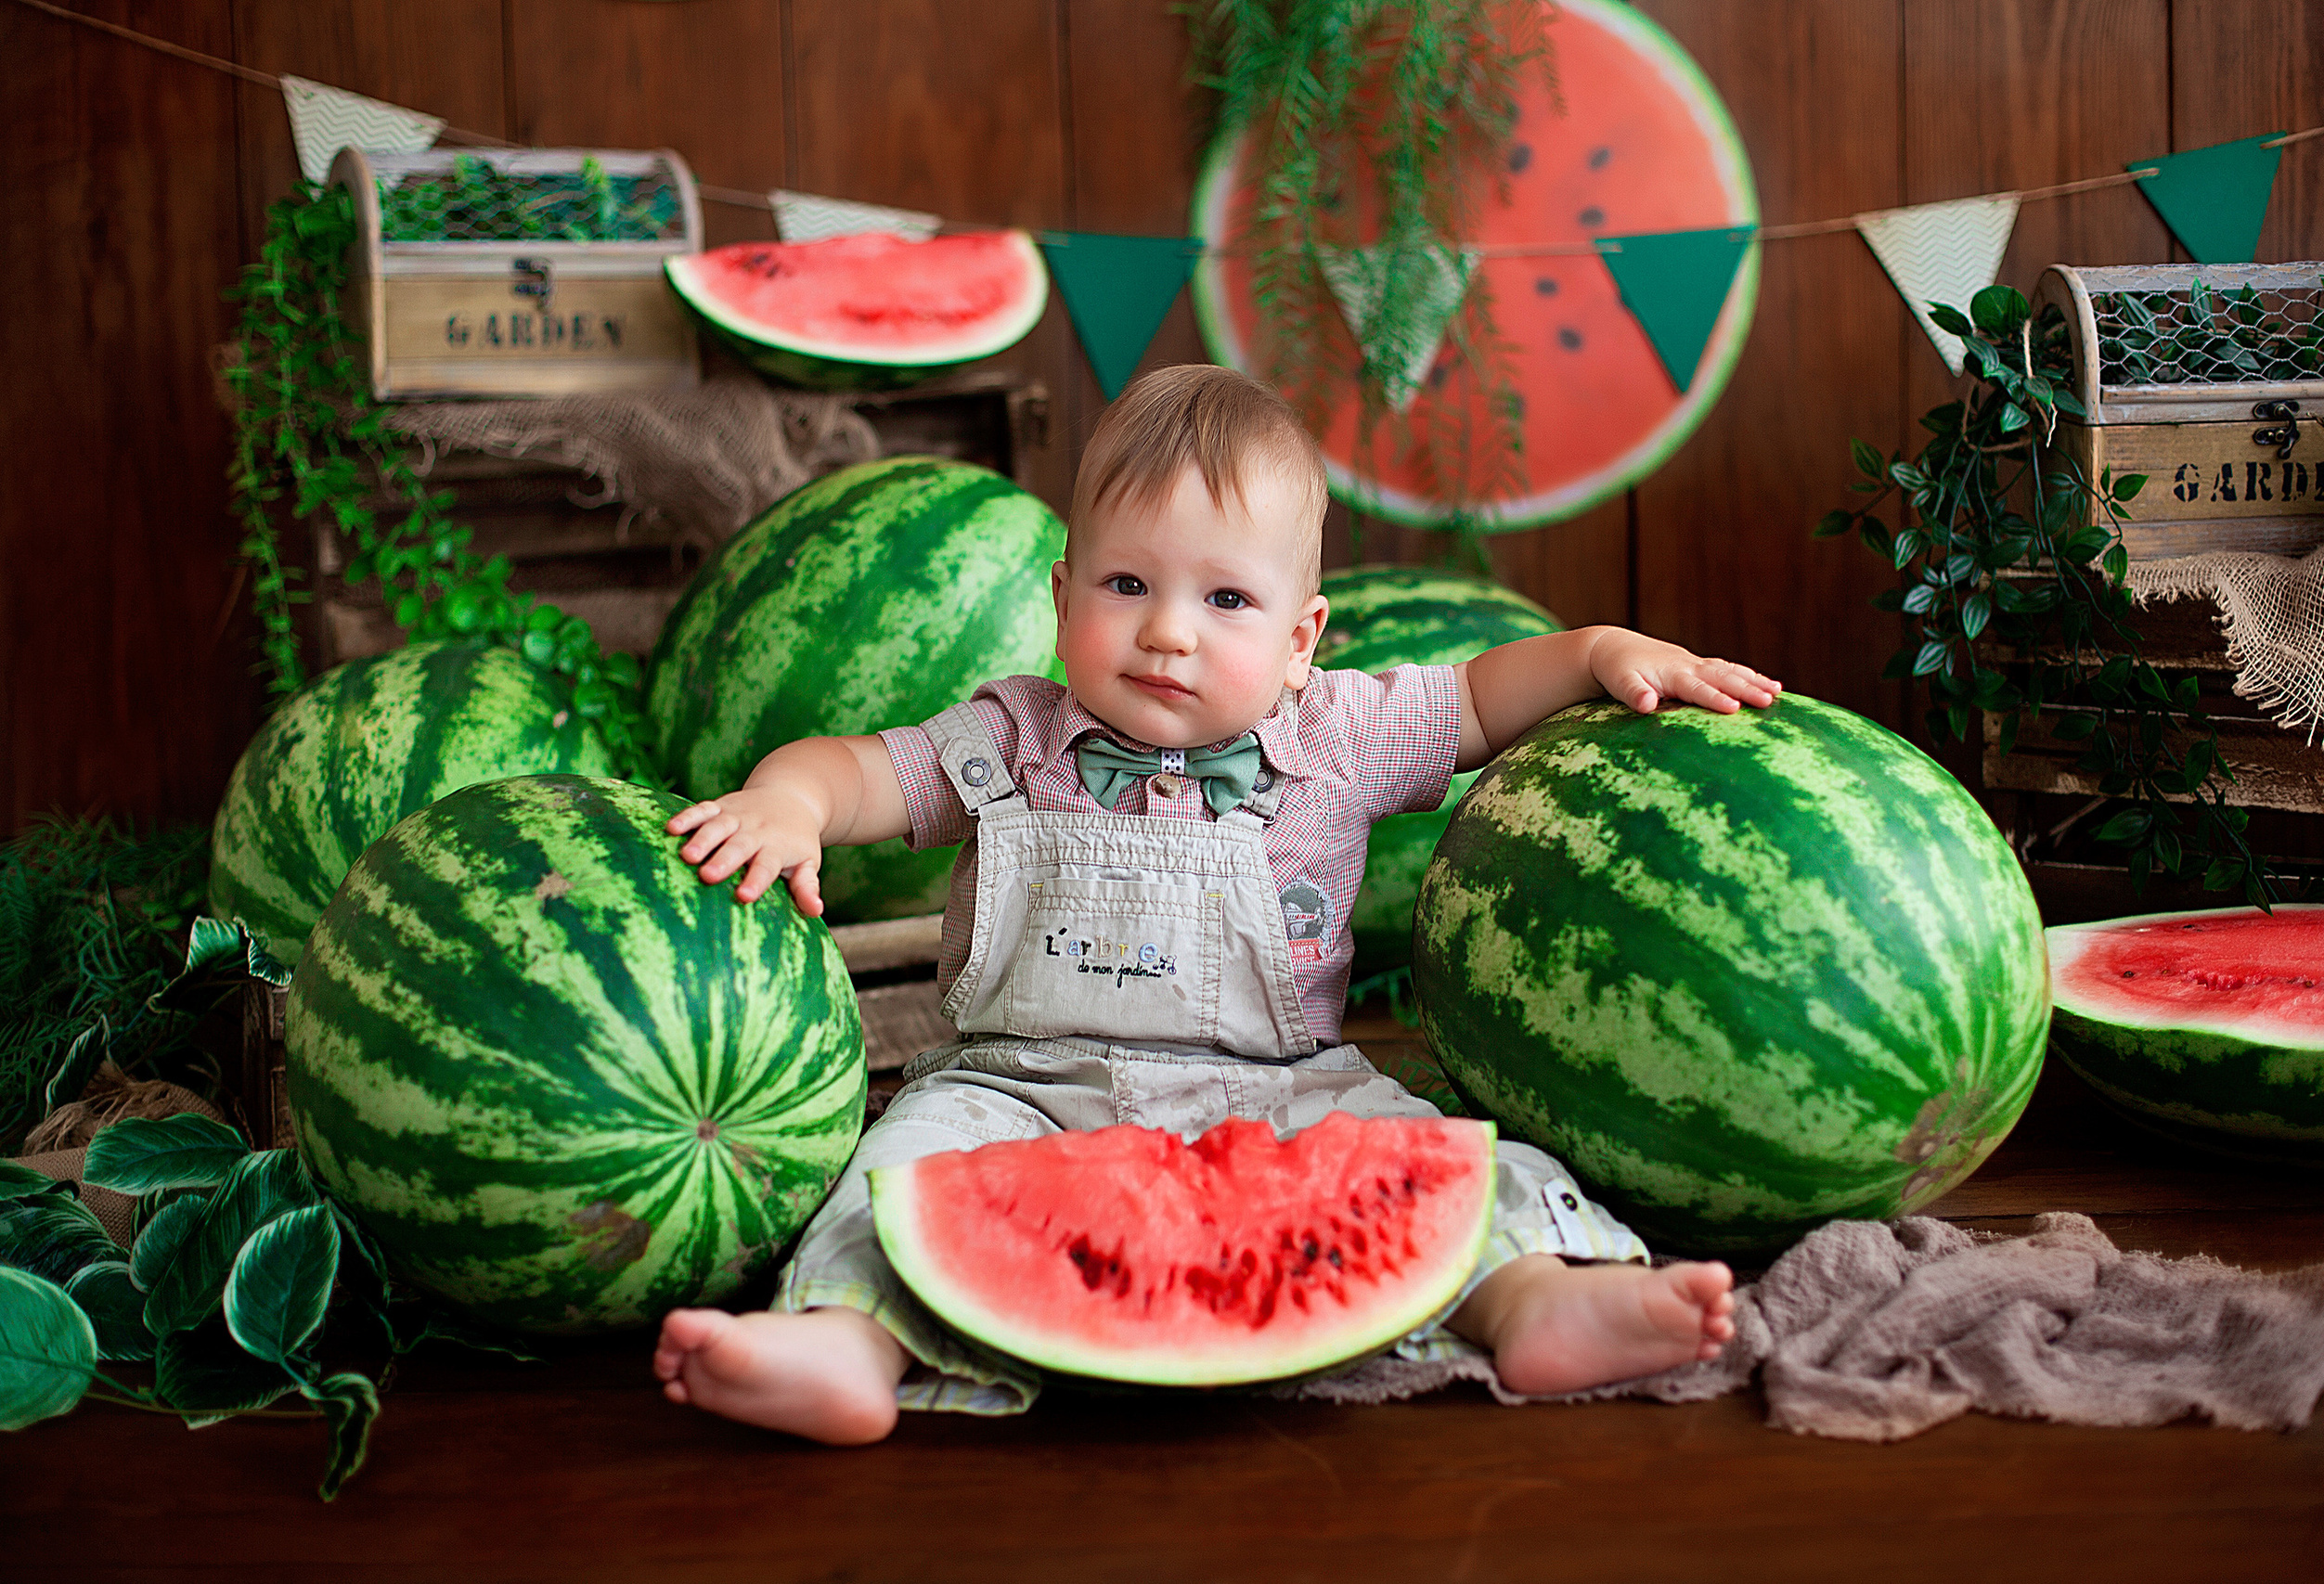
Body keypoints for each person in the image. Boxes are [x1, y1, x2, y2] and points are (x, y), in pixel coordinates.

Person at [652, 364, 1782, 1444]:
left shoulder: (1339, 736)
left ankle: (1533, 1302)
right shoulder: (1009, 735)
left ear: (1301, 642)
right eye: (1126, 584)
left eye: (1226, 597)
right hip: (1019, 1090)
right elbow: (857, 769)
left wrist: (1596, 651)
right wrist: (787, 801)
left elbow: (1482, 698)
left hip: (1279, 1090)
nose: (1168, 630)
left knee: (1438, 1159)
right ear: (1062, 596)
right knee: (898, 1173)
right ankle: (842, 1348)